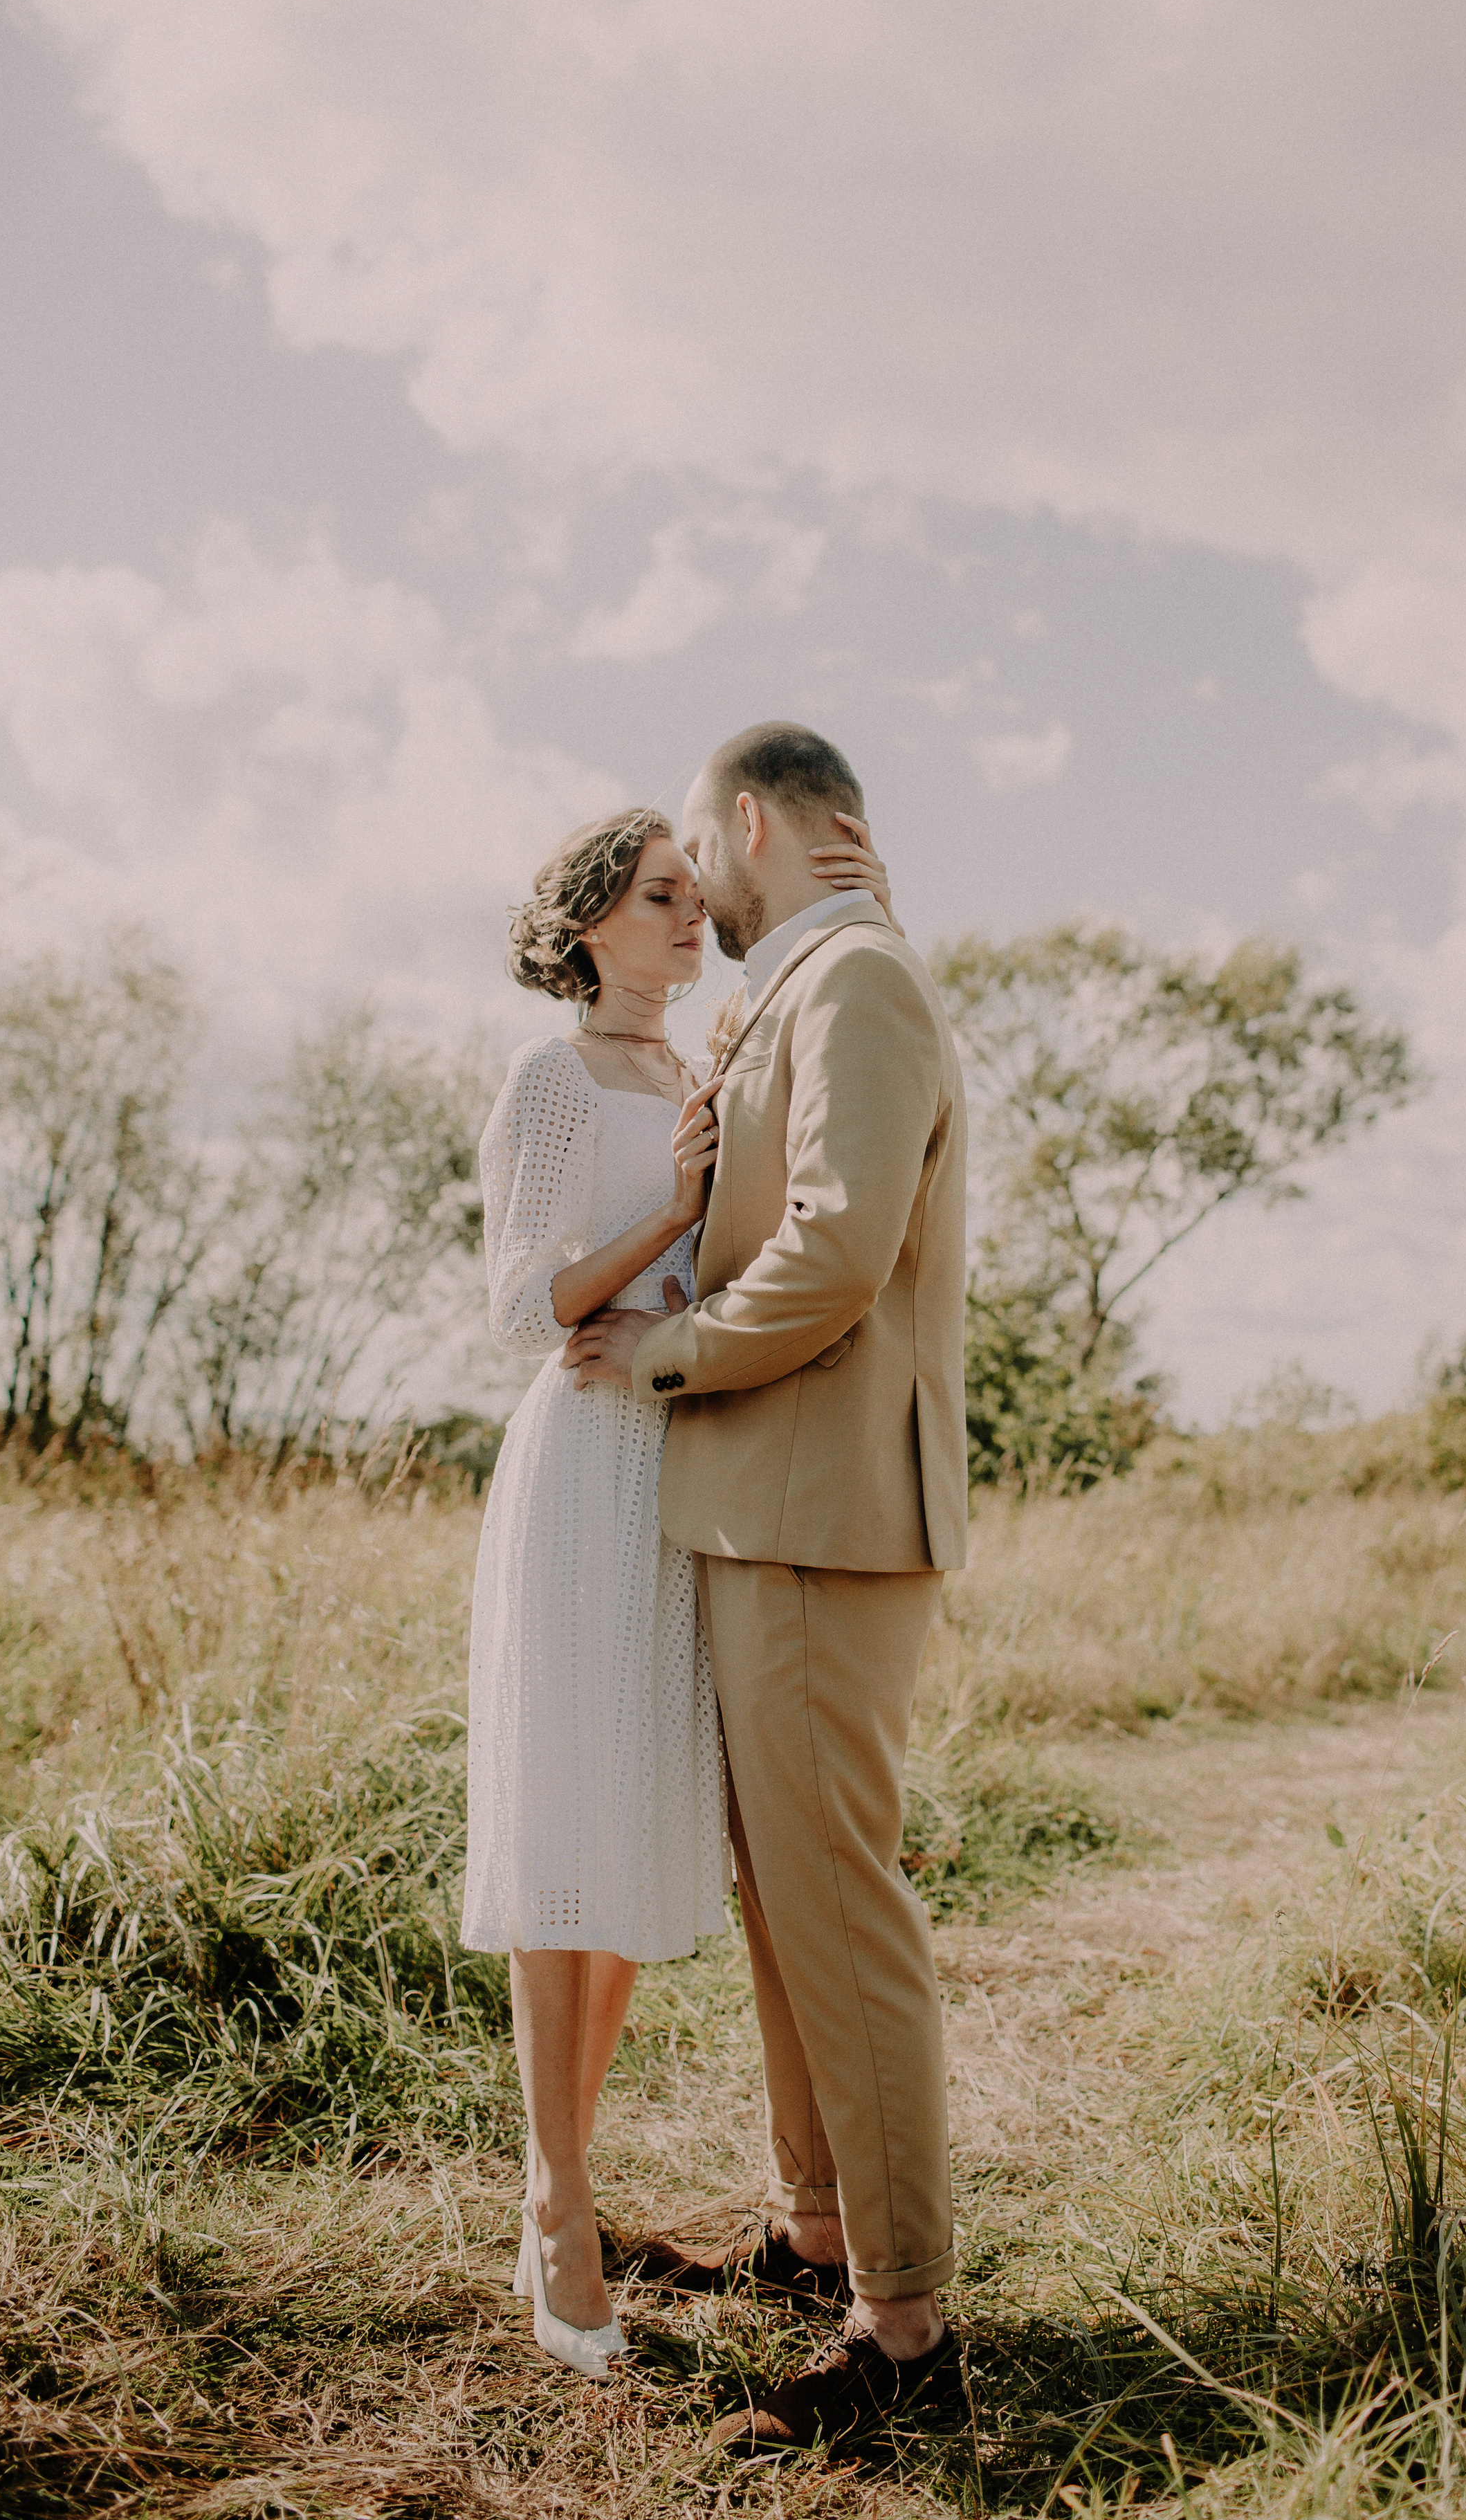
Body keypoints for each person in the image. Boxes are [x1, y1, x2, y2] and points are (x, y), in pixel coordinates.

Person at [565, 720, 969, 2453]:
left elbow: (835, 1246)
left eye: (696, 859)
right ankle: (817, 2237)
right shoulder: (810, 985)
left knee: (839, 1909)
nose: (694, 892)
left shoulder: (856, 983)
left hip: (815, 1511)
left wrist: (663, 1357)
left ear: (749, 824)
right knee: (785, 1902)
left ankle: (903, 2340)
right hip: (770, 1510)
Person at [461, 798, 891, 2377]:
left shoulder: (699, 1060)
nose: (686, 916)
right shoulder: (551, 1075)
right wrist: (669, 1200)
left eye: (689, 894)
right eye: (657, 898)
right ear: (588, 925)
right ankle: (557, 2209)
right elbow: (525, 1300)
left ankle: (556, 2189)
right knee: (564, 1838)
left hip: (682, 1471)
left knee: (636, 1843)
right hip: (582, 1459)